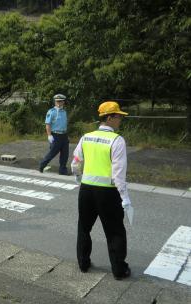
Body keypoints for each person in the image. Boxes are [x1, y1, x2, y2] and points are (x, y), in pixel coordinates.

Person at [71, 101, 132, 280]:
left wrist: (77, 176)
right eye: (119, 116)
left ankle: (83, 263)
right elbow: (119, 174)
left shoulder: (86, 137)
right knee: (114, 231)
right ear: (110, 117)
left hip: (86, 190)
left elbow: (75, 161)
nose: (121, 119)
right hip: (108, 192)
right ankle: (119, 270)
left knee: (84, 227)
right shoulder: (117, 140)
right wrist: (125, 198)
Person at [39, 94, 69, 175]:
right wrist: (49, 135)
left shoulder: (64, 112)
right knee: (52, 153)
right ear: (55, 102)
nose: (59, 103)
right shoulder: (51, 112)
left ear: (63, 102)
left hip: (64, 135)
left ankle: (62, 170)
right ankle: (42, 164)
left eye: (61, 101)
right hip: (55, 135)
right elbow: (47, 124)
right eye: (57, 101)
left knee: (65, 154)